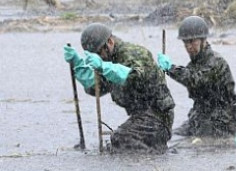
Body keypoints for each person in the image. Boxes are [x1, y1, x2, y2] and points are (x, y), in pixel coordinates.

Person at [63, 23, 175, 153]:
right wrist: (79, 66)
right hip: (141, 116)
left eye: (99, 53)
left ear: (109, 42)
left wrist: (106, 68)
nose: (99, 58)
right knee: (117, 143)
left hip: (158, 117)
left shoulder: (133, 53)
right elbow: (97, 88)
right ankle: (153, 148)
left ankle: (157, 151)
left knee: (121, 140)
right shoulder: (108, 60)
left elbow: (136, 77)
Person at [157, 16, 236, 137]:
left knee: (200, 146)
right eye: (185, 42)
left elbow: (195, 80)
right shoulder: (193, 65)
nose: (189, 46)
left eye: (192, 41)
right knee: (172, 135)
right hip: (199, 117)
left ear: (203, 40)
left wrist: (171, 68)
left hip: (219, 121)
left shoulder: (216, 62)